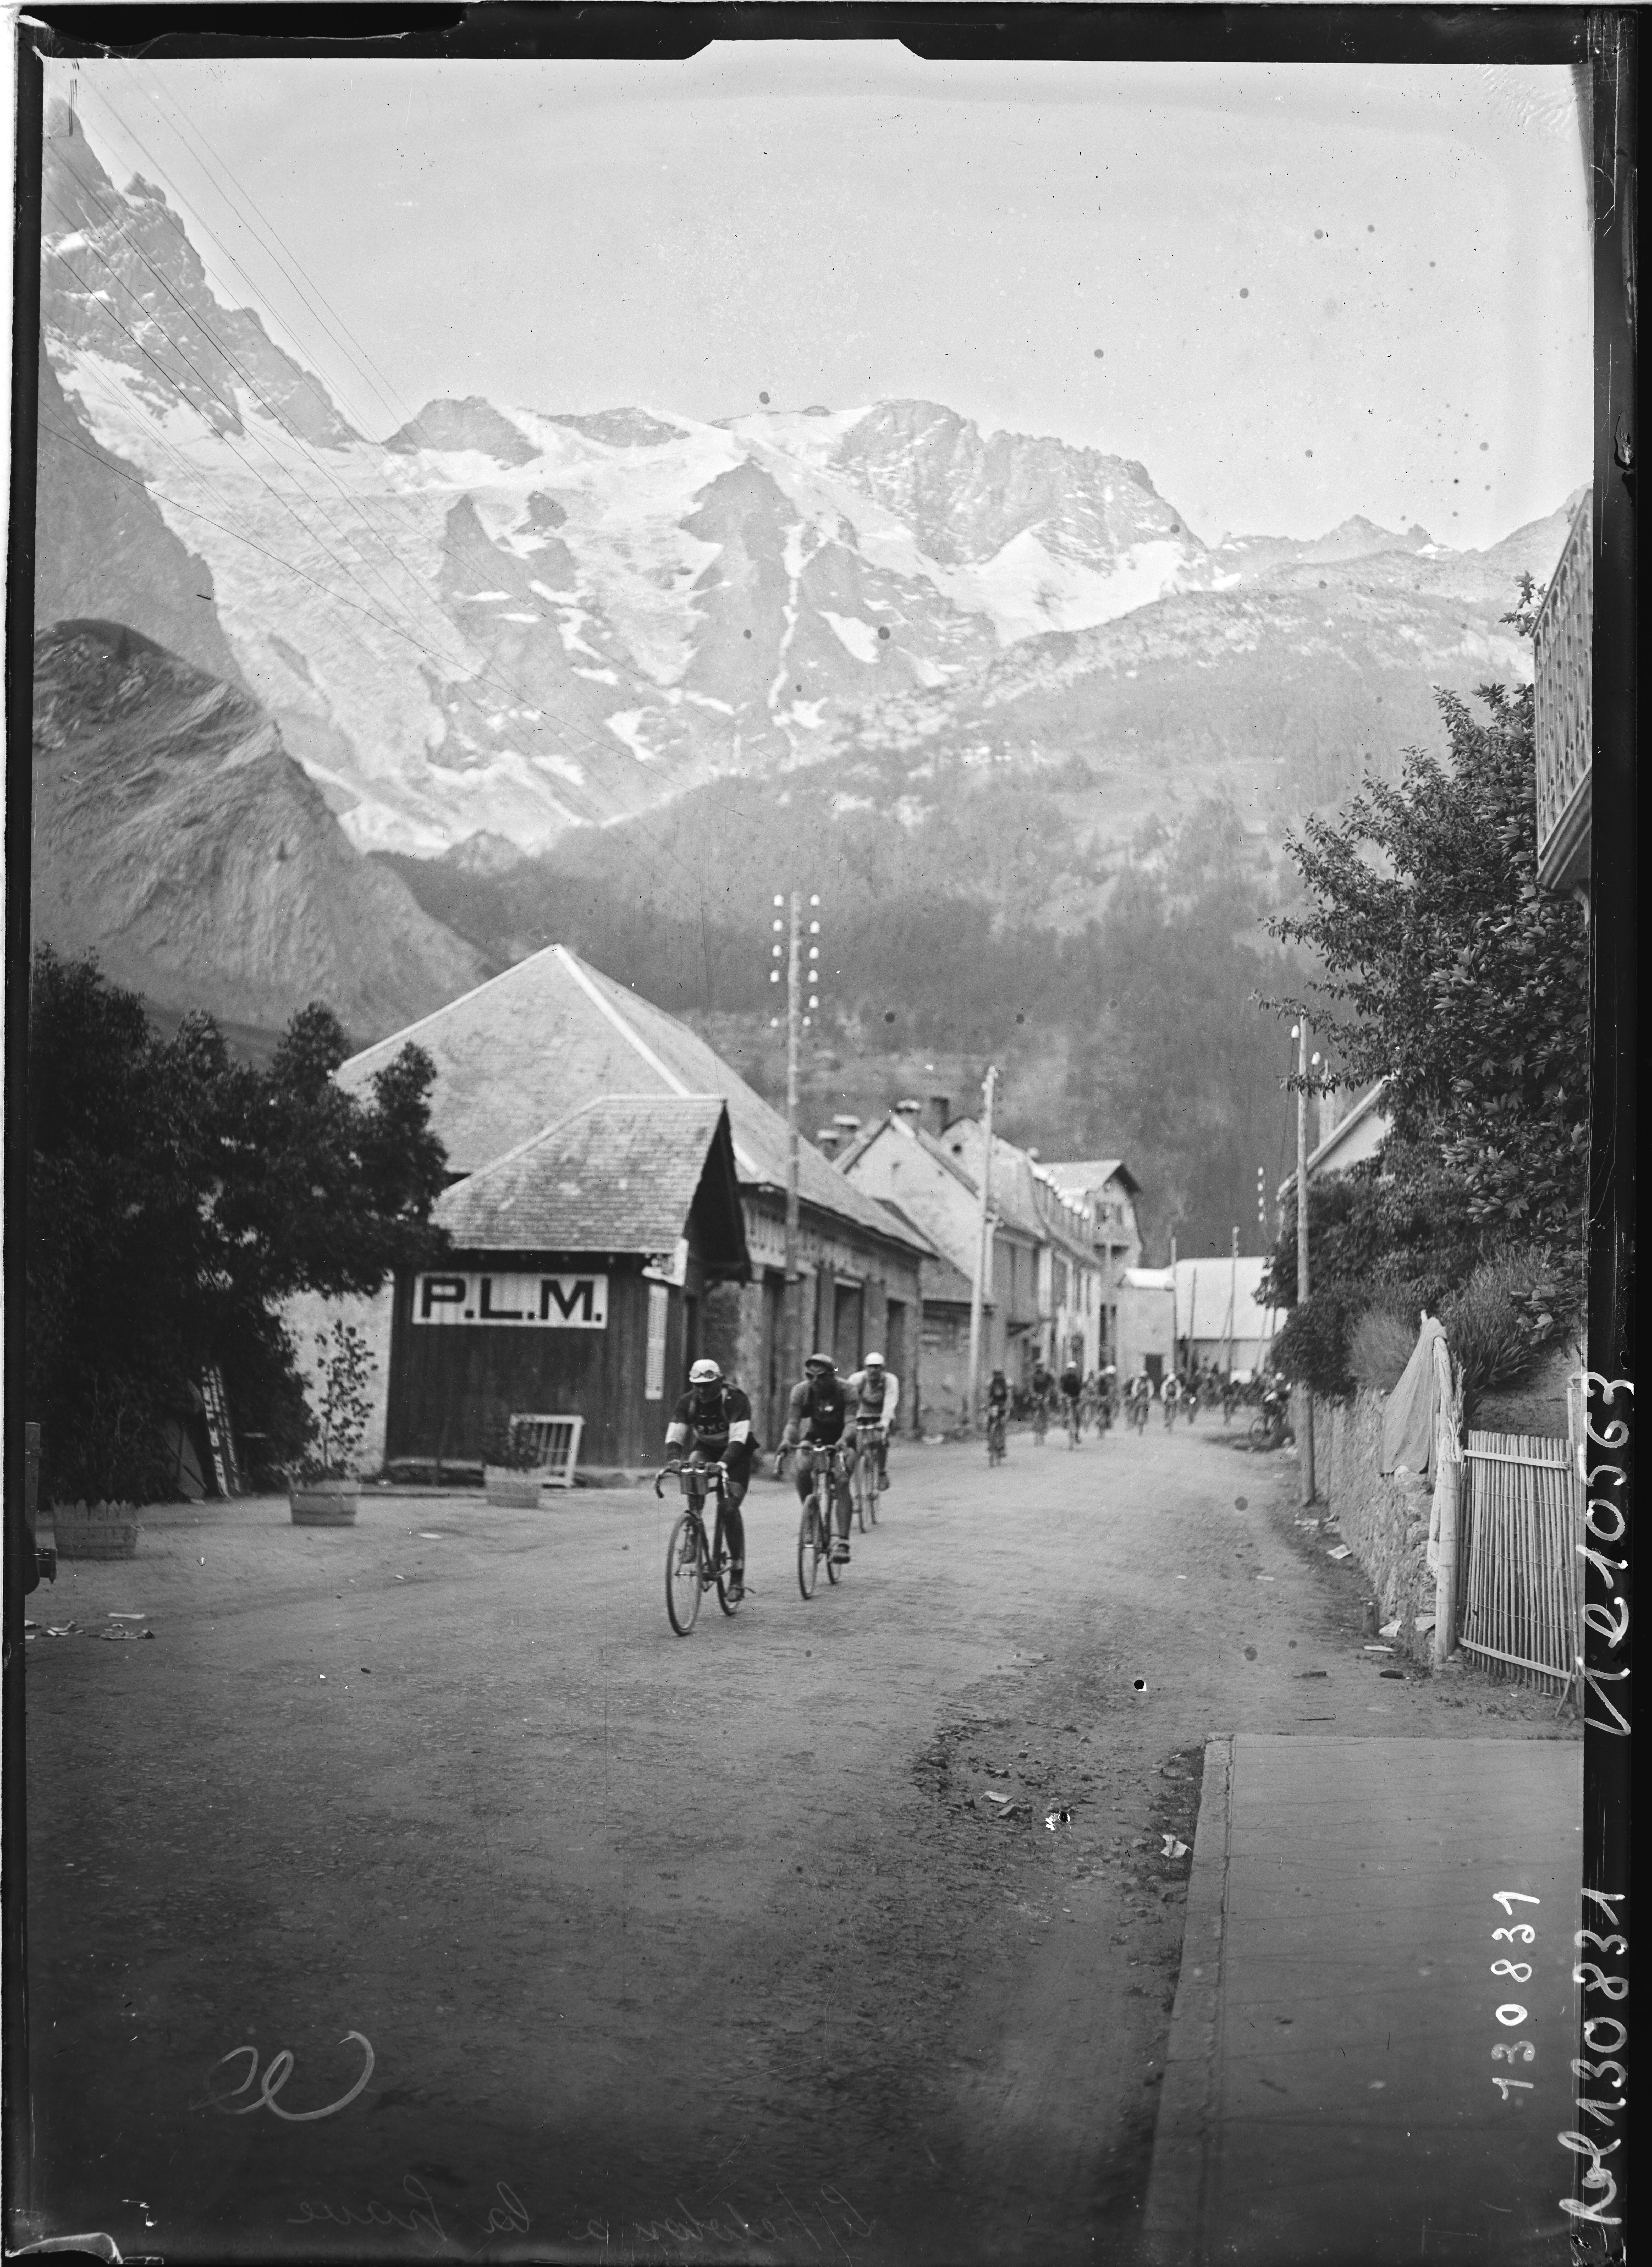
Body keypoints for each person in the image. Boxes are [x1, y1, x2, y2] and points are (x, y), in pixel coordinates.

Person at [663, 1357, 755, 1600]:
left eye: (707, 1385)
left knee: (728, 1508)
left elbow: (738, 1439)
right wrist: (673, 1459)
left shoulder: (736, 1400)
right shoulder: (689, 1402)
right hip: (706, 1449)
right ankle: (694, 1529)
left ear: (721, 1382)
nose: (702, 1390)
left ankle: (737, 1575)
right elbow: (676, 1433)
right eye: (697, 1385)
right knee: (691, 1466)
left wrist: (723, 1465)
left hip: (736, 1455)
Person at [778, 1351, 856, 1563]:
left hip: (843, 1440)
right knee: (802, 1467)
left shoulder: (847, 1390)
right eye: (810, 1376)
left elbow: (851, 1423)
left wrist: (844, 1440)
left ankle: (843, 1542)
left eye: (821, 1376)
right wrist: (787, 1440)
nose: (815, 1381)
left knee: (841, 1480)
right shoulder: (801, 1392)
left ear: (832, 1375)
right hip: (816, 1438)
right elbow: (793, 1424)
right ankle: (812, 1514)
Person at [845, 1351, 900, 1490]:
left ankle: (881, 1472)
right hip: (862, 1413)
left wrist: (885, 1424)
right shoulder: (857, 1380)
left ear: (883, 1369)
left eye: (877, 1367)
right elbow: (849, 1402)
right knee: (852, 1442)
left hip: (881, 1415)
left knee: (880, 1440)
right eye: (870, 1367)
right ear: (865, 1368)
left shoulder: (890, 1381)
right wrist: (849, 1420)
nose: (873, 1371)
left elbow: (890, 1402)